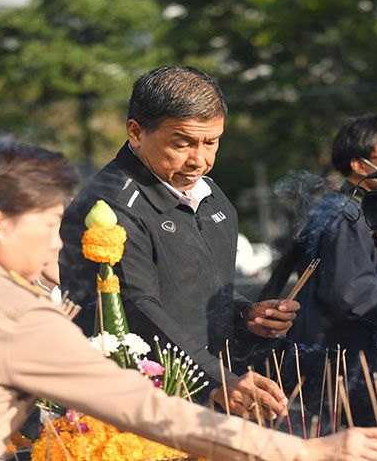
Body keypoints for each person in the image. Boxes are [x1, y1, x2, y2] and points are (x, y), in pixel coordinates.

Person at [0, 137, 377, 461]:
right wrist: (308, 451)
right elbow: (155, 414)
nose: (59, 240)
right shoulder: (11, 312)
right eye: (51, 221)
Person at [58, 66, 299, 420]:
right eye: (182, 143)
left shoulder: (211, 196)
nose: (199, 160)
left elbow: (195, 292)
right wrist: (216, 378)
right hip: (143, 405)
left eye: (211, 142)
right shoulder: (109, 205)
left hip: (211, 395)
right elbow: (134, 309)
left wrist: (244, 314)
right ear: (136, 132)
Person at [274, 114, 377, 353]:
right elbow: (353, 296)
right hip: (343, 359)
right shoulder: (348, 215)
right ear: (360, 165)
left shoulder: (368, 209)